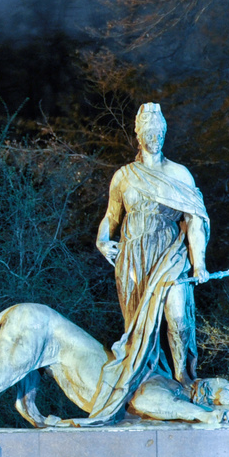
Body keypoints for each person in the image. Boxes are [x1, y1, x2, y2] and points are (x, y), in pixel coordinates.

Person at [86, 103, 211, 422]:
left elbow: (195, 220)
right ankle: (148, 378)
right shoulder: (124, 176)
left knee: (178, 316)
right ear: (138, 135)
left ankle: (184, 378)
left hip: (169, 255)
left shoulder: (178, 173)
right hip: (132, 258)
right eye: (149, 133)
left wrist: (199, 264)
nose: (155, 138)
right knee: (139, 327)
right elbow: (111, 217)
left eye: (160, 133)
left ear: (165, 133)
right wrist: (102, 241)